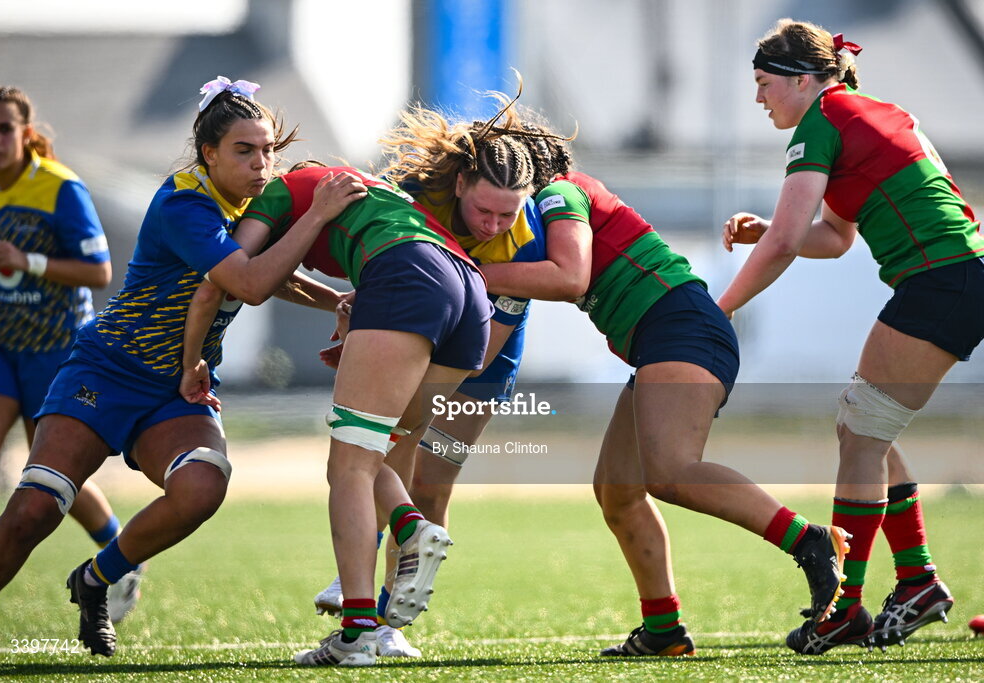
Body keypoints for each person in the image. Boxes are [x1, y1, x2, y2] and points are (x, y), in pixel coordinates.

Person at [0, 76, 367, 657]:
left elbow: (259, 271)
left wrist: (335, 300)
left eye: (269, 151)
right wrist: (317, 213)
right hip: (107, 370)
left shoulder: (248, 204)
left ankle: (95, 579)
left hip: (179, 384)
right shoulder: (184, 203)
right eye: (244, 151)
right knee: (34, 507)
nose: (262, 164)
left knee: (202, 485)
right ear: (209, 153)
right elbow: (250, 282)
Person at [475, 121, 850, 657]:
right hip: (666, 335)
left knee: (669, 472)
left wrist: (474, 271)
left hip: (681, 327)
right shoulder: (557, 202)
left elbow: (571, 277)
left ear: (528, 172)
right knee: (618, 490)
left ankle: (807, 541)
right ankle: (664, 631)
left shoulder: (560, 192)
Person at [718, 19, 979, 654]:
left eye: (763, 84)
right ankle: (916, 581)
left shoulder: (821, 127)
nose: (758, 98)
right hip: (958, 276)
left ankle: (845, 607)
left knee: (861, 433)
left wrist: (719, 308)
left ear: (802, 81)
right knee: (862, 430)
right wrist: (763, 233)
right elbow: (833, 238)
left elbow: (787, 241)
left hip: (942, 283)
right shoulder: (872, 112)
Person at [207, 158, 491, 667]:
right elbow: (282, 275)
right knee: (377, 450)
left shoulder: (281, 191)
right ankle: (407, 533)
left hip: (405, 277)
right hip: (469, 295)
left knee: (348, 468)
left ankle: (360, 628)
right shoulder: (371, 188)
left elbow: (243, 277)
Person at [308, 98, 547, 659]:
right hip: (419, 326)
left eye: (505, 216)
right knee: (373, 453)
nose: (492, 226)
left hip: (484, 353)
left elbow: (485, 353)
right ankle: (364, 590)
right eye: (484, 212)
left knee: (424, 483)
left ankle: (386, 617)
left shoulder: (524, 238)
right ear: (461, 184)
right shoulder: (416, 196)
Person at [0, 85, 141, 623]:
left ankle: (119, 555)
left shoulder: (60, 188)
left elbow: (99, 272)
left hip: (57, 348)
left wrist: (30, 262)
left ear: (24, 133)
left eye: (3, 128)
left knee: (51, 479)